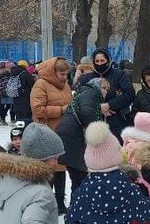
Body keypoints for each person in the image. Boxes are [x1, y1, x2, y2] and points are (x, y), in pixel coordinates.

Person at [31, 57, 74, 212]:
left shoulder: (66, 85)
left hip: (63, 132)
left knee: (61, 168)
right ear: (53, 72)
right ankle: (46, 205)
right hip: (46, 133)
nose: (65, 77)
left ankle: (61, 203)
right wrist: (61, 110)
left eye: (66, 74)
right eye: (62, 74)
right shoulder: (40, 84)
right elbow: (37, 109)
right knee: (48, 170)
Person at [56, 77, 108, 196]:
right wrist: (98, 132)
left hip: (69, 136)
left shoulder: (85, 92)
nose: (105, 91)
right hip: (72, 138)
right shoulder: (91, 92)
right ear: (97, 86)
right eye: (104, 88)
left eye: (107, 89)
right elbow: (87, 113)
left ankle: (77, 205)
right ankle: (78, 207)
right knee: (80, 176)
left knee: (78, 177)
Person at [79, 49, 135, 137]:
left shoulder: (119, 75)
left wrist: (109, 105)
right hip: (93, 123)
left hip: (117, 120)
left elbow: (129, 94)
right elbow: (80, 99)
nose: (99, 64)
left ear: (108, 61)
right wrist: (98, 107)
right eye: (97, 61)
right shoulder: (86, 78)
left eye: (102, 60)